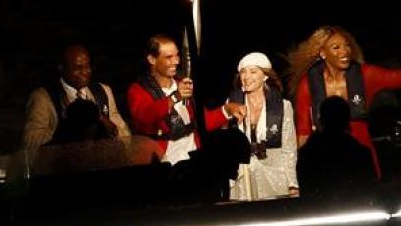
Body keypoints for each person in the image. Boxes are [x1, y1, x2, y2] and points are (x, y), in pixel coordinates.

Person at [289, 3, 401, 160]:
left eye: (347, 46)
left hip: (361, 156)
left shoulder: (365, 74)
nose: (345, 51)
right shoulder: (307, 84)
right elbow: (303, 135)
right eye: (336, 47)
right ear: (323, 53)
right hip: (326, 160)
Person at [127, 35, 244, 164]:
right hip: (163, 160)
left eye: (177, 56)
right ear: (152, 59)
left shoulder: (182, 84)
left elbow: (201, 121)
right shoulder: (139, 89)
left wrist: (226, 110)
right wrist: (175, 97)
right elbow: (144, 116)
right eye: (168, 57)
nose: (176, 61)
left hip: (191, 156)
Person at [22, 44, 130, 148]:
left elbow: (124, 131)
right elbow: (31, 140)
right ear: (61, 68)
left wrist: (113, 129)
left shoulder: (103, 91)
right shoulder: (43, 98)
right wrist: (71, 132)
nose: (84, 72)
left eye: (87, 67)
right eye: (77, 68)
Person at [227, 52, 298, 200]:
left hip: (273, 177)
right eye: (243, 72)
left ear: (265, 76)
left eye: (253, 71)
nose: (246, 77)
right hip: (242, 178)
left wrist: (292, 183)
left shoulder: (283, 106)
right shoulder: (231, 104)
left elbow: (289, 149)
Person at [296, 96, 376, 198]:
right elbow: (369, 193)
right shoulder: (361, 154)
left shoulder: (306, 155)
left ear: (321, 119)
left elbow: (306, 193)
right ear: (347, 120)